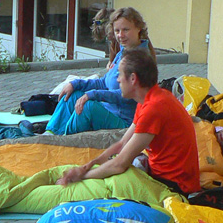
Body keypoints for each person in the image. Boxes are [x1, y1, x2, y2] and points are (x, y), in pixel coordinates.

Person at [57, 48, 200, 196]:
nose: (118, 80)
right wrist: (87, 167)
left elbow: (119, 164)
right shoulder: (150, 98)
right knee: (108, 171)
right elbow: (122, 144)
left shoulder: (154, 108)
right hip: (165, 176)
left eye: (119, 74)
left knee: (108, 182)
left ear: (133, 79)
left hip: (176, 186)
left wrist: (82, 177)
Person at [45, 7, 156, 135]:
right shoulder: (123, 52)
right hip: (107, 109)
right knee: (72, 94)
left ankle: (64, 140)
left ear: (139, 28)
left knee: (87, 107)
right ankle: (49, 134)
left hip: (124, 121)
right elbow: (103, 82)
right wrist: (75, 84)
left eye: (126, 30)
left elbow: (128, 95)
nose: (120, 35)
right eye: (117, 31)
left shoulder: (142, 59)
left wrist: (92, 95)